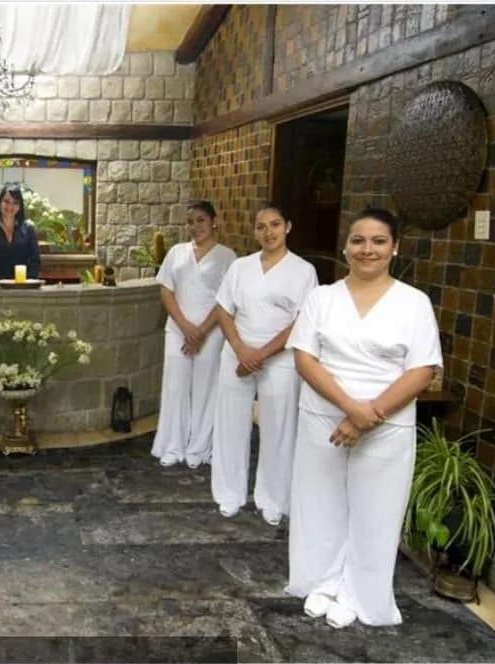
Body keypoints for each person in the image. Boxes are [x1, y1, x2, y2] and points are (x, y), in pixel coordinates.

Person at [285, 208, 441, 629]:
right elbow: (305, 358)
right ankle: (322, 580)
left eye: (378, 241)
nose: (366, 249)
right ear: (346, 247)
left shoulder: (414, 303)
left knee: (376, 510)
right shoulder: (322, 298)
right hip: (323, 416)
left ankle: (360, 592)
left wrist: (366, 416)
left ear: (395, 248)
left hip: (386, 423)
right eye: (358, 240)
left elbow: (423, 370)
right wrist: (350, 408)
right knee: (320, 502)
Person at [211, 203, 318, 525]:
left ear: (288, 227)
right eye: (261, 226)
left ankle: (273, 498)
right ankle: (229, 493)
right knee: (230, 423)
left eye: (275, 224)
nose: (268, 232)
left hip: (280, 359)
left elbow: (301, 322)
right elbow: (223, 310)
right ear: (255, 231)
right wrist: (241, 349)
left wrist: (260, 355)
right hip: (236, 354)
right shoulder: (240, 267)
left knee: (278, 429)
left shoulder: (303, 271)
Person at [151, 201, 236, 468]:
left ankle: (198, 447)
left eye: (201, 220)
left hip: (211, 332)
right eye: (190, 221)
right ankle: (173, 445)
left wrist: (201, 331)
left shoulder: (227, 257)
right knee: (175, 386)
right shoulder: (176, 252)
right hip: (178, 330)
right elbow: (166, 291)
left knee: (205, 388)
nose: (195, 226)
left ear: (214, 221)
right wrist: (186, 327)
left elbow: (226, 300)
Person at [0, 184, 41, 284]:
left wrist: (26, 284)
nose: (10, 206)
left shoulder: (29, 230)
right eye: (6, 201)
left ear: (20, 206)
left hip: (24, 287)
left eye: (15, 202)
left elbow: (35, 262)